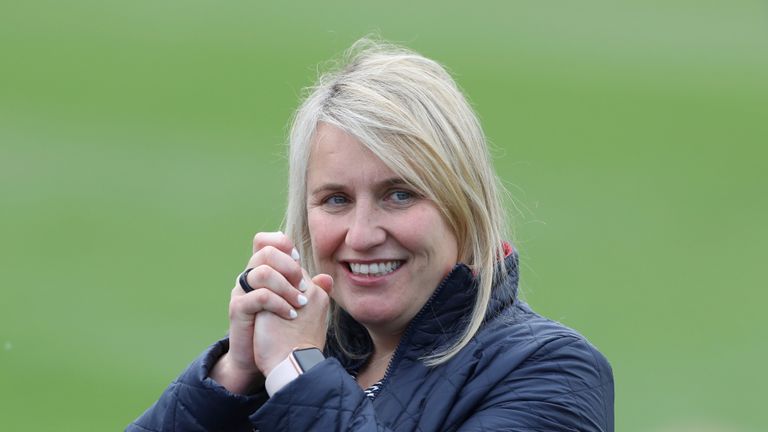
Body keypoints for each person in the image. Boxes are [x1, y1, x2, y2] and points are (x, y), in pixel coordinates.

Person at [127, 39, 614, 432]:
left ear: (464, 205)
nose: (360, 236)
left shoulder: (554, 373)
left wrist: (295, 374)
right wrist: (233, 376)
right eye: (335, 199)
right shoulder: (289, 358)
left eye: (399, 194)